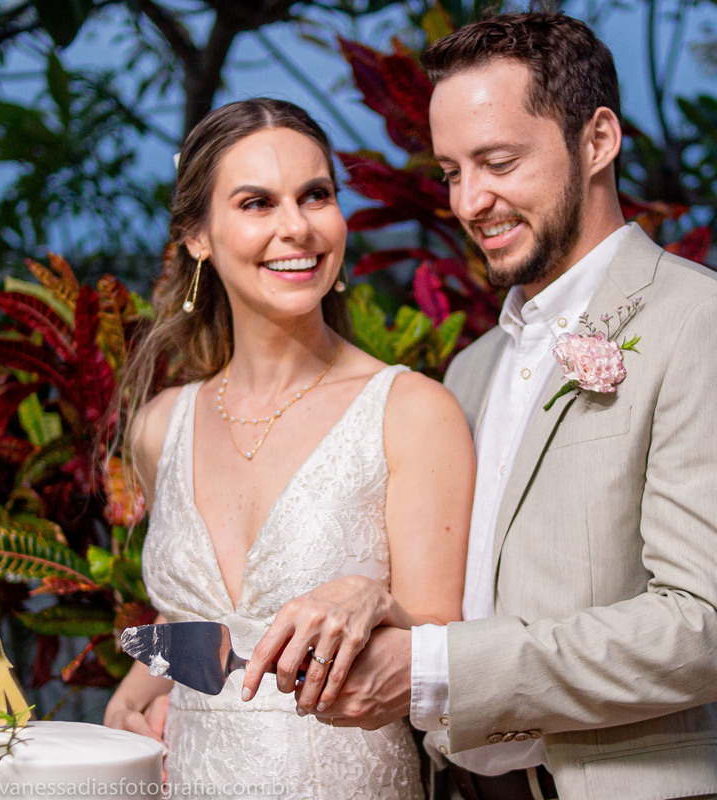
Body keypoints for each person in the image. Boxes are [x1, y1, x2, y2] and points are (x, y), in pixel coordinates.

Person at [260, 13, 717, 800]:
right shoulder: (471, 370)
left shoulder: (694, 320)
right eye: (450, 173)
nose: (471, 201)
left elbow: (699, 624)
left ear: (598, 140)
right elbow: (471, 593)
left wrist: (436, 668)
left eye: (498, 161)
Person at [103, 98, 474, 798]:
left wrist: (372, 597)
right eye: (256, 203)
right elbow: (200, 627)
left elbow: (447, 644)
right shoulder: (162, 426)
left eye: (315, 195)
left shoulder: (410, 411)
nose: (296, 227)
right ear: (198, 237)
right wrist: (131, 695)